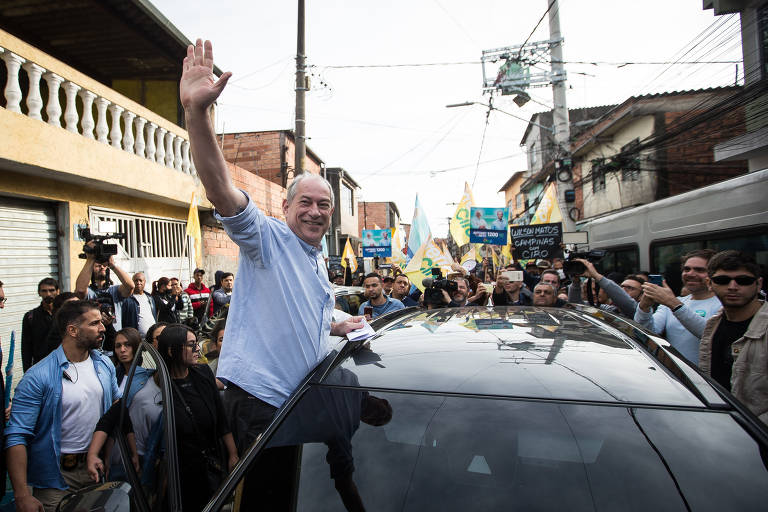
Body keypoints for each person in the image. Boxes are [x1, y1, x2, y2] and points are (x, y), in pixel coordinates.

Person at [180, 39, 361, 468]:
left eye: (324, 205)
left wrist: (337, 324)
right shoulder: (269, 240)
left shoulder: (317, 259)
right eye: (305, 203)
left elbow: (298, 311)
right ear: (285, 207)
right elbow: (220, 189)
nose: (315, 212)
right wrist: (196, 113)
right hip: (262, 404)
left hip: (303, 399)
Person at [6, 300, 120, 512]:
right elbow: (17, 435)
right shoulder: (38, 376)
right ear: (72, 330)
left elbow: (116, 406)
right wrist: (22, 494)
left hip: (98, 469)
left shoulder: (104, 364)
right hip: (56, 480)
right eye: (95, 323)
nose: (103, 328)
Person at [159, 324, 238, 512]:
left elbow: (220, 418)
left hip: (213, 466)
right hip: (184, 477)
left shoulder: (202, 373)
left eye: (196, 343)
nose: (197, 349)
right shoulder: (161, 388)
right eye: (190, 345)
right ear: (172, 351)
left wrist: (233, 454)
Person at [698, 251, 767, 424]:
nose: (733, 286)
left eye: (743, 280)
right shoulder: (712, 325)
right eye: (723, 280)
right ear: (710, 284)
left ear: (758, 284)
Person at [634, 250, 722, 365]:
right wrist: (644, 307)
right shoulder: (674, 302)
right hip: (676, 376)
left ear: (713, 274)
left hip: (706, 378)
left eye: (699, 270)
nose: (690, 274)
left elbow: (709, 335)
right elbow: (644, 334)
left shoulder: (722, 304)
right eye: (687, 269)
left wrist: (673, 303)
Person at [75, 249, 134, 329]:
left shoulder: (115, 290)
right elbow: (80, 290)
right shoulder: (89, 291)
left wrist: (113, 265)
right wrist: (90, 259)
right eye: (98, 265)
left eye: (104, 265)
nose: (102, 267)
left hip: (114, 336)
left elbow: (130, 286)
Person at [567, 260, 639, 317]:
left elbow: (627, 304)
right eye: (622, 287)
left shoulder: (639, 314)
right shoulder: (607, 310)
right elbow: (576, 306)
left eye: (630, 288)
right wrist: (575, 282)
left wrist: (596, 276)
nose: (623, 290)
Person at [22, 278, 60, 372]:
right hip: (41, 367)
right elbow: (26, 348)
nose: (48, 294)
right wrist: (27, 372)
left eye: (51, 290)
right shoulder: (31, 317)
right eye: (44, 291)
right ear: (39, 293)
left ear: (58, 291)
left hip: (62, 364)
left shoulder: (64, 314)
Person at [121, 272, 157, 337]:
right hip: (136, 338)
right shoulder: (127, 299)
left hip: (151, 338)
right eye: (136, 280)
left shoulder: (150, 297)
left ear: (145, 282)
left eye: (140, 280)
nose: (138, 282)